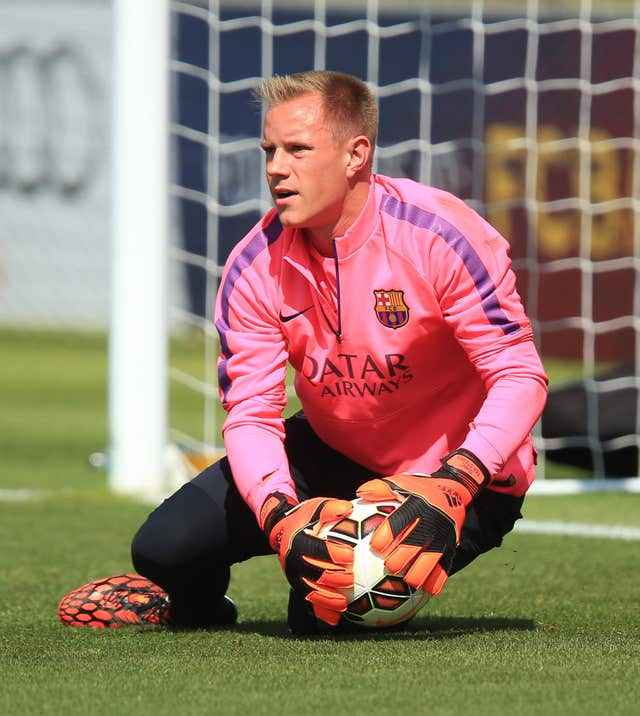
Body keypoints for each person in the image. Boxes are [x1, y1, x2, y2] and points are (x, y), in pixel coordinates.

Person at [130, 70, 549, 634]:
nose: (276, 168)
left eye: (297, 149)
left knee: (325, 611)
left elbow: (520, 375)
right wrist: (281, 515)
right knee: (163, 549)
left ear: (356, 155)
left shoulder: (440, 235)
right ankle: (197, 608)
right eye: (269, 150)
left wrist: (455, 482)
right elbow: (252, 415)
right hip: (332, 450)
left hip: (457, 476)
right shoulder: (253, 264)